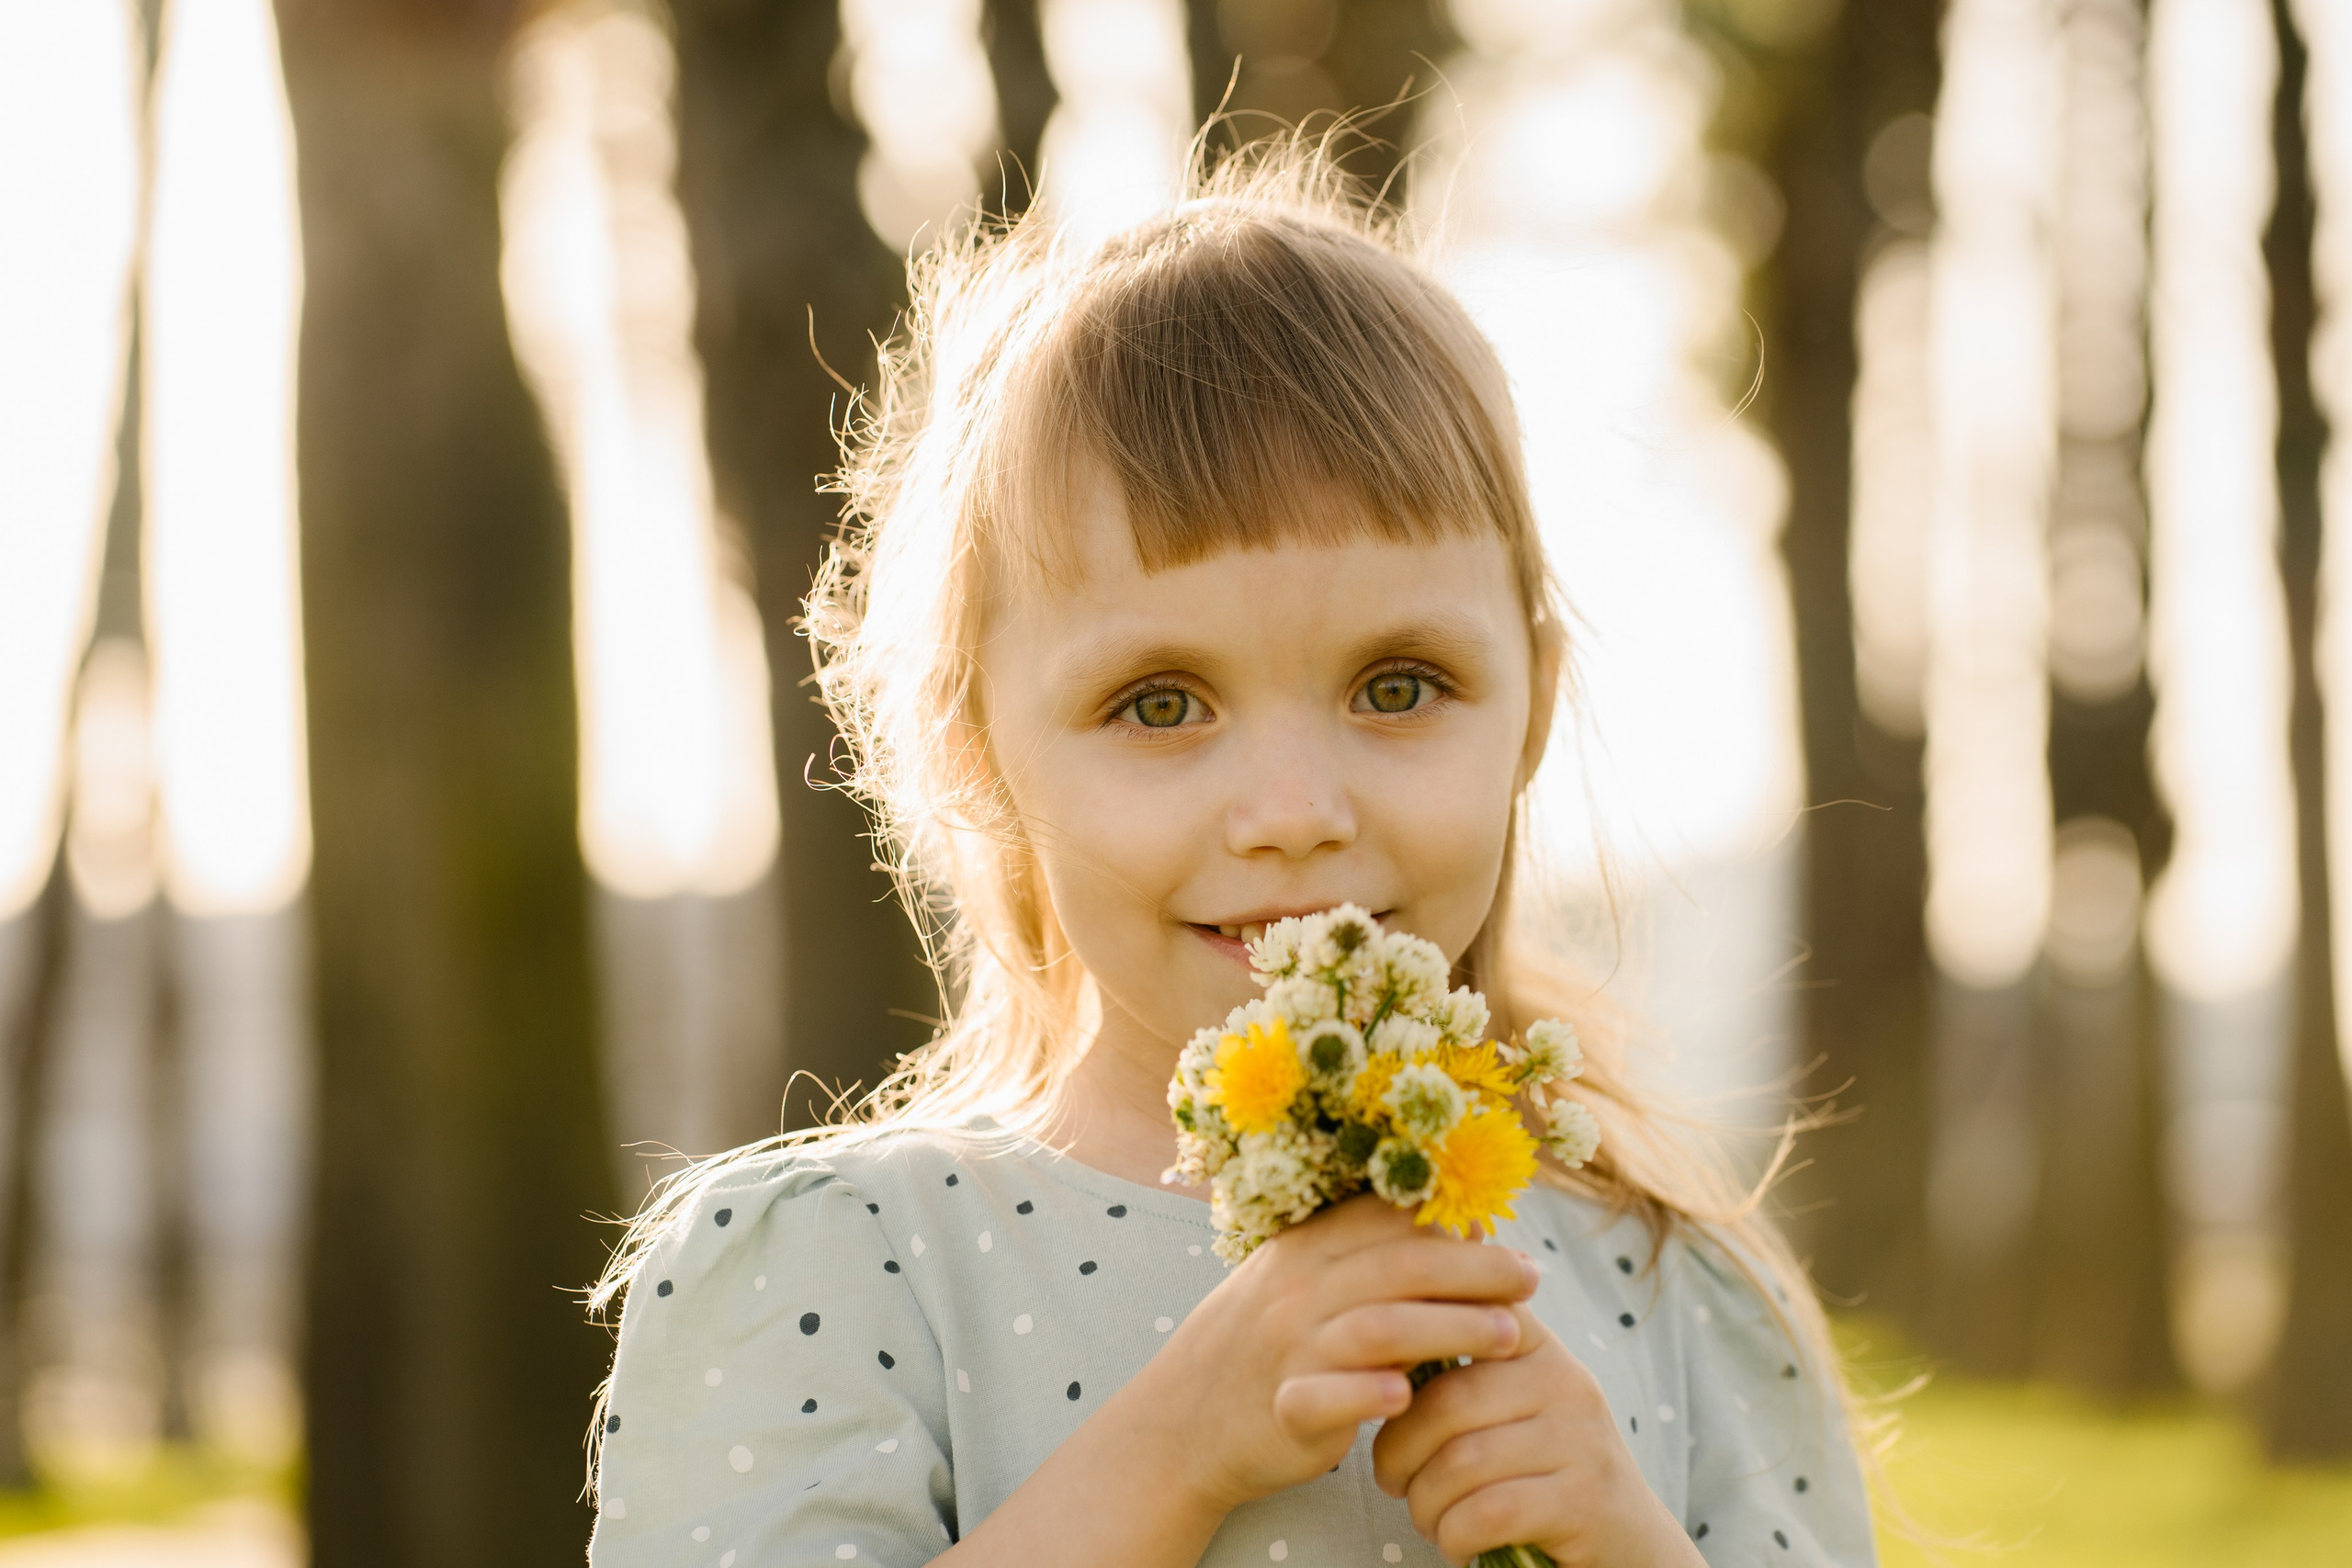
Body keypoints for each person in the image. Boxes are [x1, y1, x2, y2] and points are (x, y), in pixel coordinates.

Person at [584, 148, 1879, 1568]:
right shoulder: (846, 1272)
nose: (1292, 810)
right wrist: (1174, 1448)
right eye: (1159, 703)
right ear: (976, 753)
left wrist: (1632, 1545)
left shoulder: (1676, 1296)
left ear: (1532, 711)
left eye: (1398, 685)